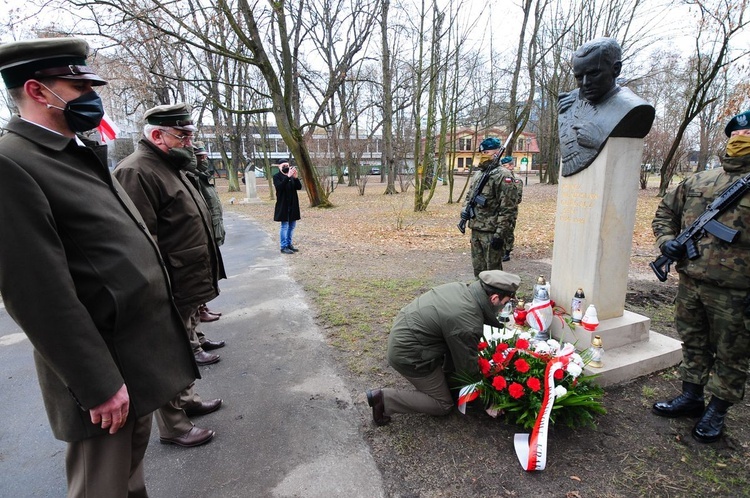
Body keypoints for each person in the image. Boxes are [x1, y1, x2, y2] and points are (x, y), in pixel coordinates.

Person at [0, 37, 199, 495]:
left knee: (129, 479)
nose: (92, 98)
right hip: (102, 372)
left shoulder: (75, 149)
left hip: (134, 357)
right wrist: (98, 384)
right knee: (101, 486)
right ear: (36, 90)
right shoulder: (14, 164)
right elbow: (36, 294)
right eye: (77, 86)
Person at [114, 103, 225, 446]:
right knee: (168, 353)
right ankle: (174, 426)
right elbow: (140, 238)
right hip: (168, 284)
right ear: (157, 135)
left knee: (186, 344)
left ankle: (186, 402)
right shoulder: (136, 171)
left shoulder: (170, 164)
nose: (190, 141)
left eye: (191, 134)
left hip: (186, 280)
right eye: (183, 134)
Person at [651, 110, 750, 443]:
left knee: (732, 353)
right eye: (738, 133)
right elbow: (665, 213)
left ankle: (717, 409)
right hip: (691, 282)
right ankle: (692, 396)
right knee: (693, 342)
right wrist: (668, 242)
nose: (742, 138)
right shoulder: (698, 181)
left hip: (738, 293)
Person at [366, 270, 520, 426]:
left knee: (454, 364)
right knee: (443, 405)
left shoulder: (462, 289)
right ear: (494, 298)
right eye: (506, 302)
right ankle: (384, 399)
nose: (505, 307)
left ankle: (446, 383)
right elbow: (467, 365)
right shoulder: (467, 321)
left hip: (408, 334)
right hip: (409, 355)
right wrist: (486, 401)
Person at [557, 37, 654, 177]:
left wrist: (598, 141)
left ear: (616, 69)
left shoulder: (635, 108)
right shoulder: (569, 102)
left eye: (594, 74)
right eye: (579, 77)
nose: (585, 83)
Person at [462, 137, 517, 277]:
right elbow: (469, 196)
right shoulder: (479, 174)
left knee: (493, 274)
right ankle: (480, 296)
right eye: (482, 152)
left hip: (491, 232)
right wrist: (465, 212)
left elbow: (508, 209)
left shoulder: (503, 176)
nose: (483, 154)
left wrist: (500, 234)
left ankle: (496, 298)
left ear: (497, 153)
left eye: (487, 151)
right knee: (478, 269)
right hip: (476, 228)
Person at [191, 142, 224, 323]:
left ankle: (203, 306)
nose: (204, 160)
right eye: (200, 157)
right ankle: (200, 308)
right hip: (202, 233)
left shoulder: (202, 176)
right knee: (202, 272)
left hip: (212, 229)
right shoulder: (192, 177)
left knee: (208, 271)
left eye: (205, 156)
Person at [273, 160, 302, 254]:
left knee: (292, 226)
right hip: (283, 204)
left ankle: (289, 244)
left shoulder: (292, 177)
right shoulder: (276, 177)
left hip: (293, 204)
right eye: (284, 165)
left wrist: (296, 178)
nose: (286, 167)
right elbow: (279, 187)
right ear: (279, 166)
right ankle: (283, 246)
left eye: (287, 165)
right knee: (284, 226)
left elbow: (299, 187)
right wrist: (287, 177)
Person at [500, 156, 523, 262]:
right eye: (503, 166)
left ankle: (507, 251)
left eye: (506, 166)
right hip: (499, 209)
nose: (505, 168)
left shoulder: (516, 179)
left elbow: (518, 198)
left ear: (511, 166)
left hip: (511, 210)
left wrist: (507, 202)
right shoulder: (500, 177)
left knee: (508, 229)